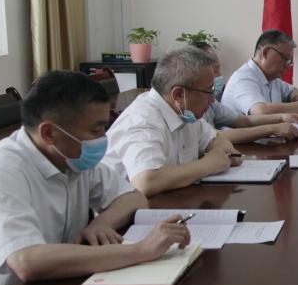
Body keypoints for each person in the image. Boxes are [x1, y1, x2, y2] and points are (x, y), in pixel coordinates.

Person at [0, 71, 191, 285]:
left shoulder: (69, 156)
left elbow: (133, 197)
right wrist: (142, 250)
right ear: (50, 133)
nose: (103, 138)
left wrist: (102, 223)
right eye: (95, 129)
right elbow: (27, 262)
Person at [103, 46, 241, 197]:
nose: (212, 99)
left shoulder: (185, 113)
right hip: (122, 210)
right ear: (179, 95)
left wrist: (221, 154)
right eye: (209, 92)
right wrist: (207, 165)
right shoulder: (142, 121)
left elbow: (217, 140)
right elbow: (147, 182)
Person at [191, 41, 298, 144]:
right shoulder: (189, 108)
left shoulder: (211, 102)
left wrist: (281, 118)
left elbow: (243, 121)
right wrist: (272, 128)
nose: (219, 75)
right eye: (215, 70)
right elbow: (215, 136)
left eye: (219, 68)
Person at [221, 30, 298, 115]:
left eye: (290, 62)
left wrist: (297, 97)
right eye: (286, 59)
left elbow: (293, 91)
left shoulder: (272, 78)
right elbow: (261, 111)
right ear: (266, 53)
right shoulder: (243, 78)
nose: (287, 66)